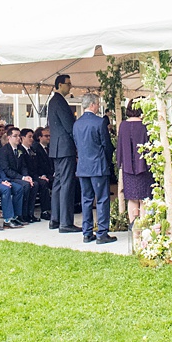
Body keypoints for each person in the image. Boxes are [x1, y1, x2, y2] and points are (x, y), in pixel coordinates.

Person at [73, 92, 115, 244]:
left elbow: (77, 144)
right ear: (92, 104)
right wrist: (108, 160)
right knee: (102, 199)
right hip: (98, 165)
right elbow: (106, 145)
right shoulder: (99, 122)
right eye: (97, 104)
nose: (98, 106)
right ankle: (102, 233)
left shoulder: (76, 123)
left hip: (83, 166)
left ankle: (87, 232)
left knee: (86, 200)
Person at [48, 75, 81, 233]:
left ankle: (55, 219)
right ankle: (66, 223)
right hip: (65, 147)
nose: (70, 87)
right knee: (67, 184)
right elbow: (69, 126)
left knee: (58, 184)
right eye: (68, 84)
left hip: (56, 148)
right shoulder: (60, 101)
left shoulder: (53, 101)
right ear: (60, 85)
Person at [117, 99, 153, 223]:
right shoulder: (146, 125)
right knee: (144, 199)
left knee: (132, 199)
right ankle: (144, 228)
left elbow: (120, 146)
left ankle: (134, 229)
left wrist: (119, 163)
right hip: (144, 166)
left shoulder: (123, 125)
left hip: (127, 167)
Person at [0, 127, 37, 223]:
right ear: (9, 137)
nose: (18, 138)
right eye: (15, 136)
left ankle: (29, 213)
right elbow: (6, 169)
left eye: (19, 136)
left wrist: (27, 176)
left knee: (34, 184)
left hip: (19, 176)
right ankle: (19, 214)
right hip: (10, 177)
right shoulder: (4, 150)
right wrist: (22, 177)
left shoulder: (20, 149)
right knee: (25, 186)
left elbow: (23, 165)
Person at [21, 128, 51, 221]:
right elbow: (23, 167)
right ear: (23, 138)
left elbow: (38, 165)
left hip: (34, 175)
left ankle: (44, 211)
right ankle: (30, 213)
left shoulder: (32, 150)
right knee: (40, 184)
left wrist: (41, 175)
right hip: (26, 176)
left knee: (43, 181)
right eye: (29, 137)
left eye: (32, 137)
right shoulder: (21, 150)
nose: (31, 139)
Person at [32, 126, 54, 220]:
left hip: (50, 173)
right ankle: (45, 211)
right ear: (39, 137)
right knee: (44, 183)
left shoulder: (48, 148)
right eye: (46, 136)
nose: (48, 138)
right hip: (40, 174)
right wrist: (42, 175)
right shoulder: (36, 148)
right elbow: (37, 165)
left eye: (49, 136)